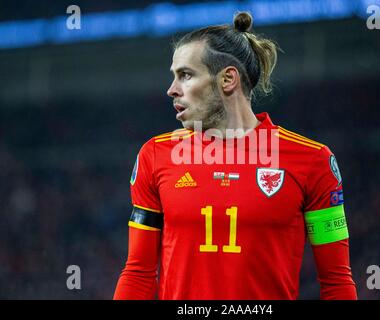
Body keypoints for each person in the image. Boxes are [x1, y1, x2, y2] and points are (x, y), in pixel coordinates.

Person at [113, 12, 357, 300]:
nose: (172, 90)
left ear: (228, 78)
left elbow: (336, 280)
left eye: (186, 75)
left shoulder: (313, 161)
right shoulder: (155, 156)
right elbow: (139, 272)